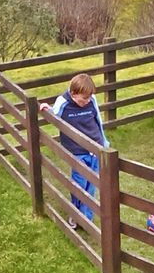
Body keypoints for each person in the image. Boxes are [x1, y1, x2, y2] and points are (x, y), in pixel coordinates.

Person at [40, 73, 109, 228]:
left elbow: (97, 119)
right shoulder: (63, 102)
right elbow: (55, 115)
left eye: (89, 98)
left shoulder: (92, 101)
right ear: (73, 93)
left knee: (92, 183)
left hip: (95, 148)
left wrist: (103, 142)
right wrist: (47, 109)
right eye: (83, 99)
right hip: (77, 151)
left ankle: (86, 218)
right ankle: (75, 213)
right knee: (79, 183)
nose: (87, 101)